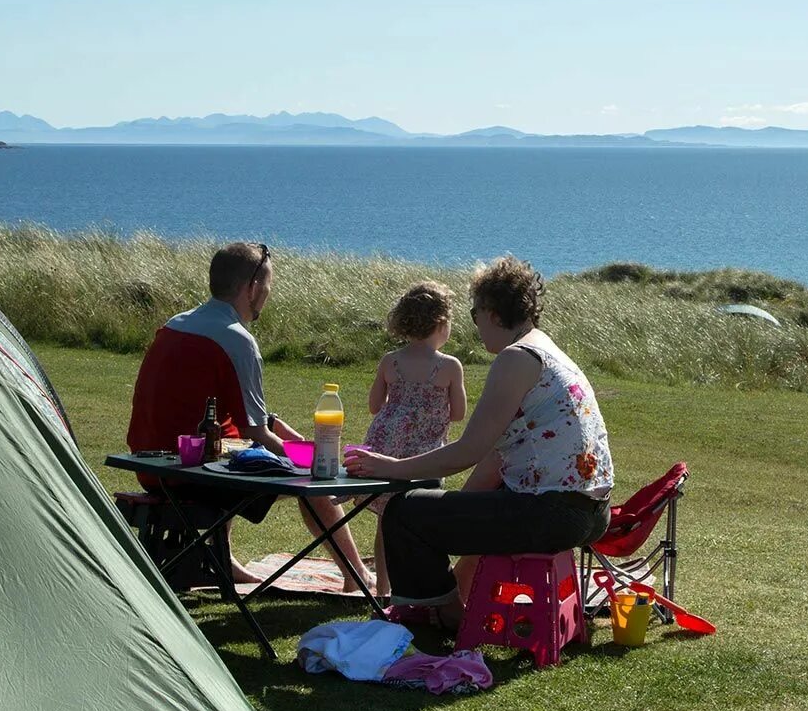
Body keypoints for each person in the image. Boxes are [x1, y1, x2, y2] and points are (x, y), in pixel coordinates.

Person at [345, 256, 612, 624]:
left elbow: (468, 450)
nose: (475, 325)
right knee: (428, 509)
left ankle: (440, 616)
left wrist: (394, 468)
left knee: (403, 512)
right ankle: (447, 605)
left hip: (553, 512)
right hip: (591, 511)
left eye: (474, 314)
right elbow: (493, 459)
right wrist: (450, 508)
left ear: (492, 311)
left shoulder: (516, 358)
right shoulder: (546, 348)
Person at [127, 241, 370, 590]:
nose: (267, 295)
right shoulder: (236, 339)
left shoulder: (176, 324)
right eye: (268, 287)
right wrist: (308, 458)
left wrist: (274, 427)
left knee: (237, 447)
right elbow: (255, 434)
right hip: (192, 475)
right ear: (253, 288)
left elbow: (218, 412)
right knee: (311, 478)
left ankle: (225, 560)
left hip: (150, 465)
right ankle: (356, 574)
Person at [361, 281, 468, 597]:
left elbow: (374, 406)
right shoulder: (448, 366)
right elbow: (459, 413)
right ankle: (425, 590)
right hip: (422, 455)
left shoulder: (390, 361)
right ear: (440, 323)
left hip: (385, 449)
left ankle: (383, 588)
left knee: (386, 522)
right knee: (421, 519)